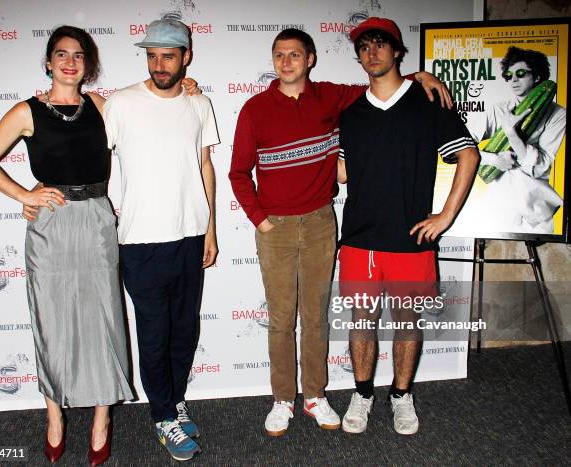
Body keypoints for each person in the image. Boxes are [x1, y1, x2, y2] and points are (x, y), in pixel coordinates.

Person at [229, 27, 452, 437]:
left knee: (315, 317)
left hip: (320, 222)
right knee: (281, 318)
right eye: (279, 55)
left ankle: (314, 394)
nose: (286, 62)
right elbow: (239, 172)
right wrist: (261, 218)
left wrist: (422, 75)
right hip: (274, 227)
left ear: (310, 59)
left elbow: (383, 80)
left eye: (295, 54)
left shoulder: (334, 96)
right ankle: (283, 399)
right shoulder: (255, 109)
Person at [0, 26, 133, 465]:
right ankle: (54, 415)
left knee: (104, 320)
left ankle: (102, 417)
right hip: (51, 223)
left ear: (88, 65)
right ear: (48, 62)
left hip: (97, 218)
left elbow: (150, 109)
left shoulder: (102, 105)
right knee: (51, 321)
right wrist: (26, 195)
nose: (69, 62)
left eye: (78, 55)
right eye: (61, 54)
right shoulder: (27, 111)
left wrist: (186, 86)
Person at [336, 17, 479, 435]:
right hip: (360, 239)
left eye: (381, 45)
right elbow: (343, 173)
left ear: (398, 51)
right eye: (364, 47)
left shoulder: (427, 101)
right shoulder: (350, 111)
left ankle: (401, 395)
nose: (372, 53)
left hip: (411, 240)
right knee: (361, 321)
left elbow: (468, 155)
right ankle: (362, 393)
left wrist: (446, 216)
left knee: (407, 322)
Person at [102, 19, 219, 462]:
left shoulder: (199, 102)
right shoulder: (122, 103)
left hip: (190, 234)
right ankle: (162, 416)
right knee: (153, 333)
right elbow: (94, 154)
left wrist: (211, 229)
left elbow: (205, 166)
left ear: (186, 56)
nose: (159, 64)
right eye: (152, 55)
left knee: (185, 330)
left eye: (168, 56)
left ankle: (174, 399)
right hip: (140, 239)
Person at [465, 46, 566, 233]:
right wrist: (494, 159)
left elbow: (541, 166)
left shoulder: (558, 114)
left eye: (520, 74)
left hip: (535, 202)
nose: (513, 80)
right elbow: (462, 147)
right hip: (499, 201)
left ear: (537, 77)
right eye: (509, 76)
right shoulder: (498, 110)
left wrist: (511, 134)